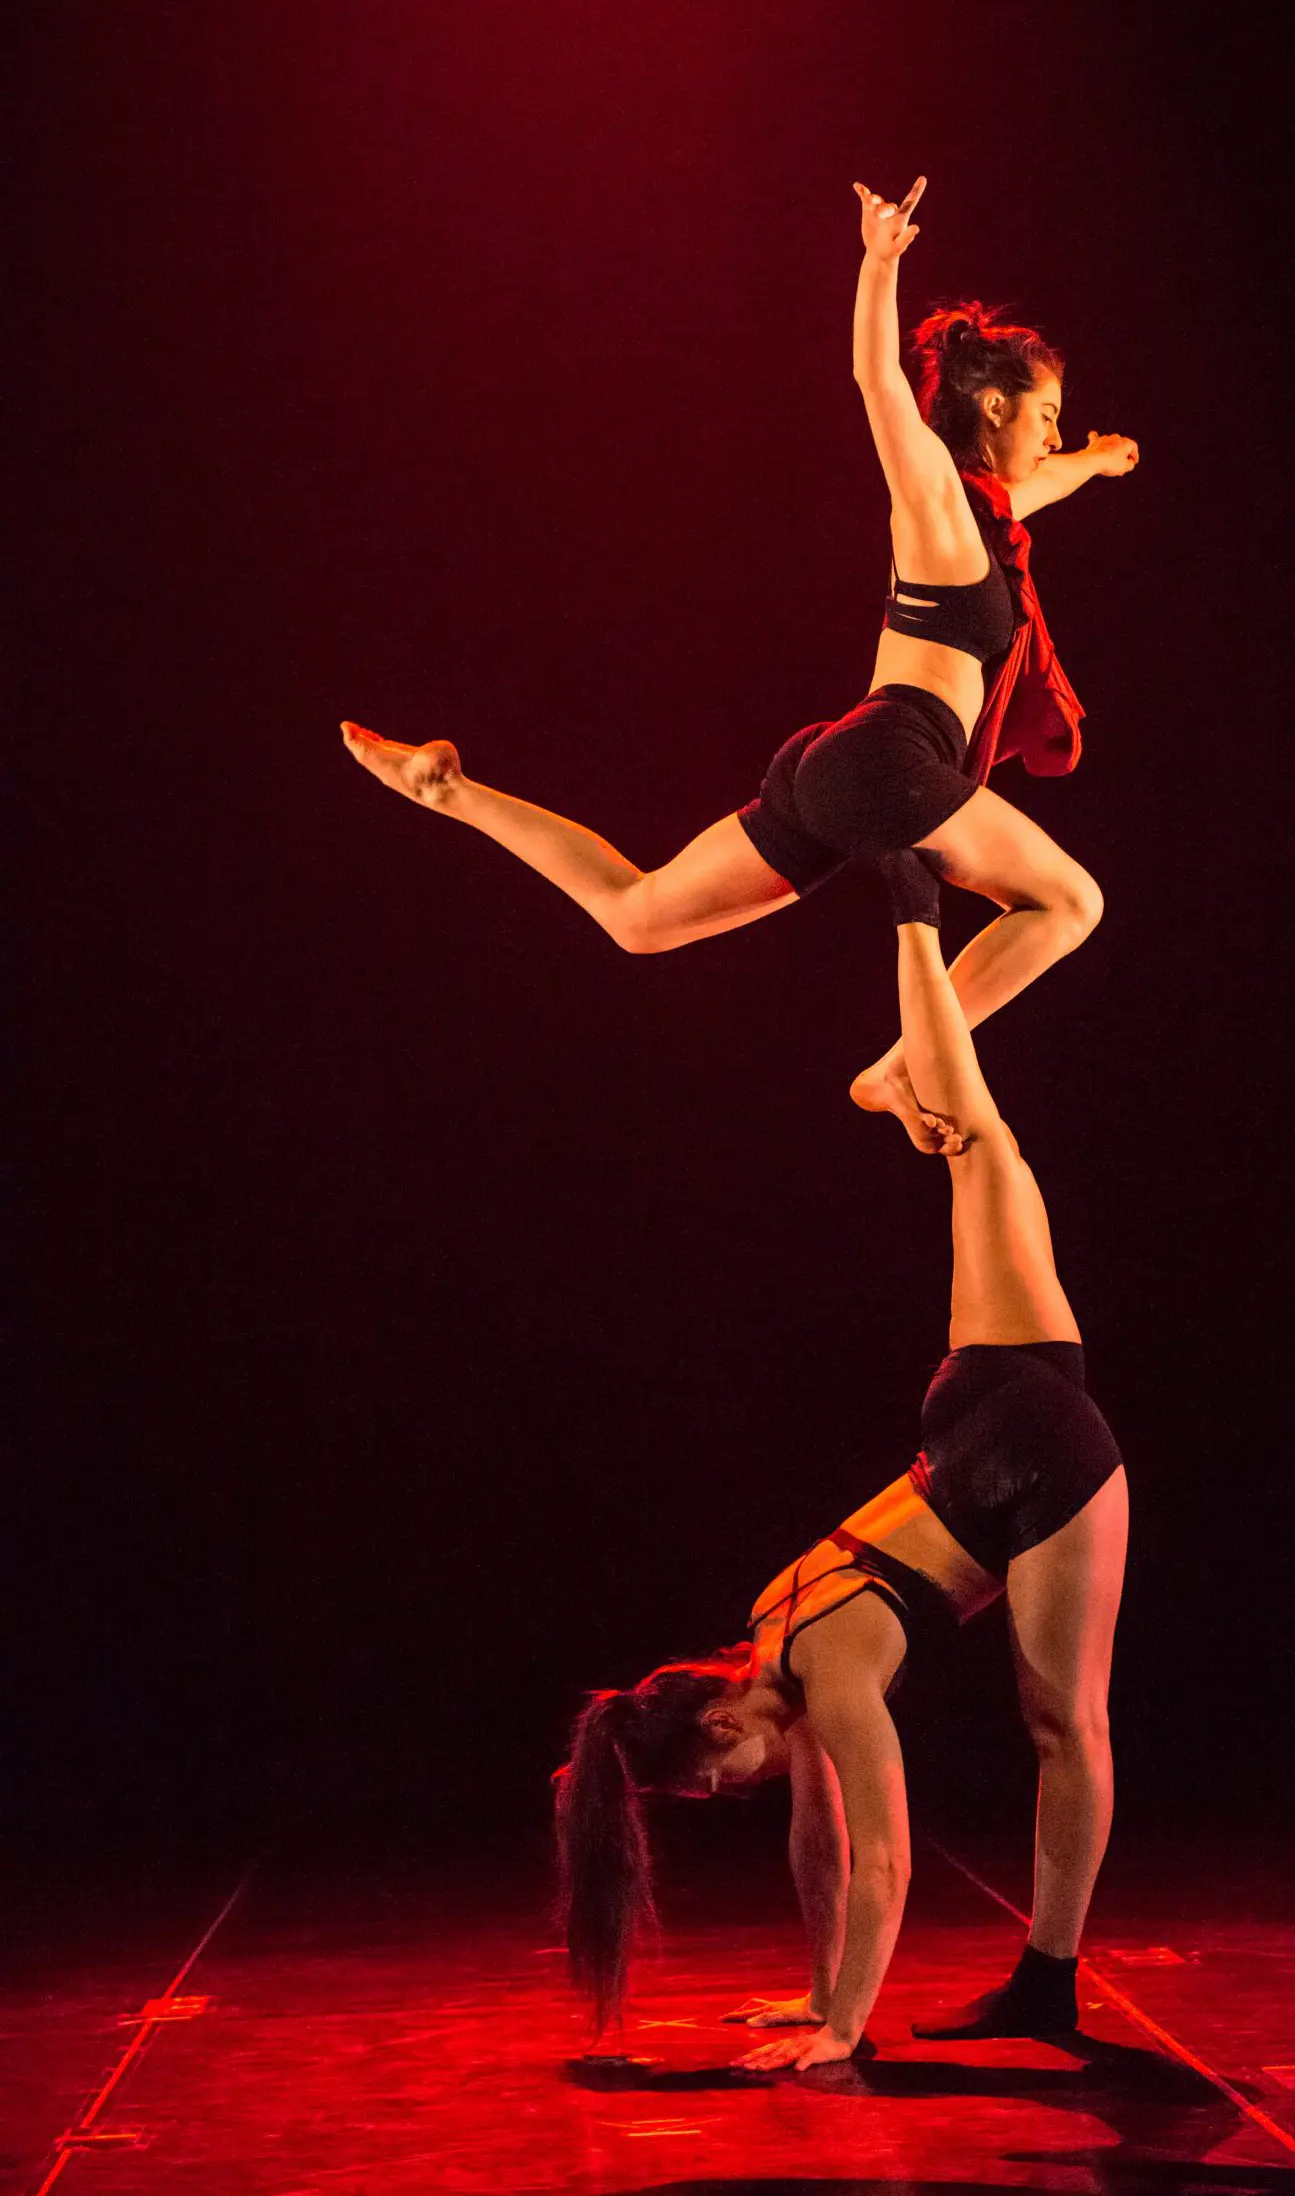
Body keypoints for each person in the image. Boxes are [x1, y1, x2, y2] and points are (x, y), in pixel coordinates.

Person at [340, 178, 1138, 1145]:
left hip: (834, 763)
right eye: (1047, 414)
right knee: (1069, 901)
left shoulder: (985, 518)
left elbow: (1039, 486)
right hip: (890, 760)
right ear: (996, 408)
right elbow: (878, 388)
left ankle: (450, 789)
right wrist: (878, 265)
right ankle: (898, 1067)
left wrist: (1095, 461)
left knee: (638, 916)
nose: (1054, 434)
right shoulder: (933, 496)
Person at [553, 853, 1129, 2067]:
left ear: (719, 1719)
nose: (748, 1787)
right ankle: (1048, 1986)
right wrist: (819, 2002)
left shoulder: (824, 1656)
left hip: (1032, 1430)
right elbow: (821, 1846)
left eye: (721, 1782)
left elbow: (887, 1853)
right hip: (982, 1429)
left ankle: (915, 916)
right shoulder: (779, 1649)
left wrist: (846, 2033)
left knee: (1066, 1723)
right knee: (1046, 1716)